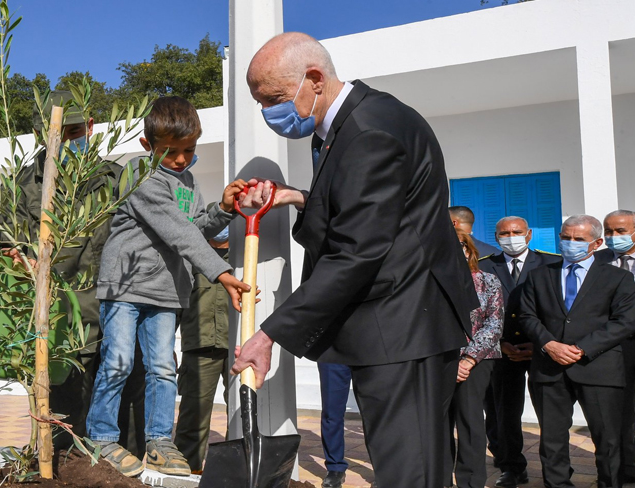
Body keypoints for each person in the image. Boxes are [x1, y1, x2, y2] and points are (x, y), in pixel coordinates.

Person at [232, 32, 478, 488]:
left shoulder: (368, 132)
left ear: (314, 79)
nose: (270, 115)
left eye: (275, 99)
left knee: (411, 471)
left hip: (403, 326)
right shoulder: (355, 121)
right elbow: (372, 211)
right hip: (397, 324)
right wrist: (299, 198)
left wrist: (269, 334)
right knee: (412, 464)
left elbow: (358, 251)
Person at [87, 96, 251, 477]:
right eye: (171, 152)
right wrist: (221, 273)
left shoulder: (188, 182)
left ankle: (159, 442)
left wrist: (222, 209)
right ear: (148, 146)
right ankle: (101, 437)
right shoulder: (138, 173)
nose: (181, 159)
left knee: (162, 368)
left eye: (188, 150)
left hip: (165, 292)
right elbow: (178, 231)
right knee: (118, 362)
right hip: (126, 286)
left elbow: (194, 228)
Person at [0, 90, 147, 458]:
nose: (66, 142)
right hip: (61, 331)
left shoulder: (117, 181)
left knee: (126, 436)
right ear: (39, 135)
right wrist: (14, 258)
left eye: (74, 132)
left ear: (91, 127)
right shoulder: (22, 187)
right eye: (57, 134)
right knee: (64, 435)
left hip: (120, 325)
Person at [520, 214, 635, 488]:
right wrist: (548, 344)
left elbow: (625, 321)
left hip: (598, 368)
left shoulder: (617, 278)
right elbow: (526, 316)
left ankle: (609, 483)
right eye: (565, 237)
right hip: (549, 368)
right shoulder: (539, 275)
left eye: (578, 239)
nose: (570, 243)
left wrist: (582, 349)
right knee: (552, 438)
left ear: (596, 243)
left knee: (607, 438)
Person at [478, 216, 560, 488]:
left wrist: (540, 344)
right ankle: (511, 466)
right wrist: (499, 342)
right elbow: (480, 312)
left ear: (529, 234)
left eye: (516, 232)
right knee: (503, 412)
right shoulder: (485, 265)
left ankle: (556, 471)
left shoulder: (551, 263)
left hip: (542, 348)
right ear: (496, 235)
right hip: (502, 350)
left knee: (549, 412)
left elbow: (560, 311)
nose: (510, 236)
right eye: (504, 233)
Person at [444, 231, 503, 488]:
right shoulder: (428, 283)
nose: (458, 253)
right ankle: (439, 478)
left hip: (477, 361)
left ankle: (470, 482)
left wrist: (467, 359)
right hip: (439, 361)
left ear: (471, 251)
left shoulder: (488, 281)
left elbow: (494, 322)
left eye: (462, 248)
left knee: (469, 421)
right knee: (437, 422)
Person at [174, 227, 231, 474]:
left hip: (239, 346)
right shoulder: (190, 260)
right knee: (192, 416)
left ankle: (234, 469)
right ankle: (188, 470)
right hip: (199, 347)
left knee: (245, 413)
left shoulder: (246, 257)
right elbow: (175, 300)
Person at [596, 209, 635, 483]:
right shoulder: (596, 261)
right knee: (612, 412)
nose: (613, 237)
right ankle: (617, 471)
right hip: (608, 346)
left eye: (620, 231)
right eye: (608, 231)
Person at [318, 362, 352, 488]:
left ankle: (381, 467)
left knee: (375, 414)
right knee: (331, 412)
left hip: (371, 349)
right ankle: (335, 467)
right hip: (331, 351)